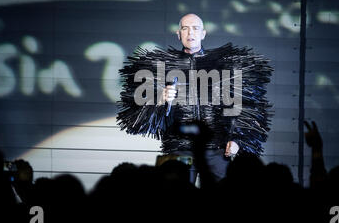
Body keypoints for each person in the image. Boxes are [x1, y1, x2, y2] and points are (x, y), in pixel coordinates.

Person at [117, 13, 273, 183]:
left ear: (203, 33)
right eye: (185, 28)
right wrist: (160, 99)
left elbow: (241, 105)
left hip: (217, 148)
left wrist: (237, 139)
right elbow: (136, 113)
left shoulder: (222, 66)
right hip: (177, 147)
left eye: (195, 28)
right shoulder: (161, 67)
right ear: (178, 34)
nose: (190, 33)